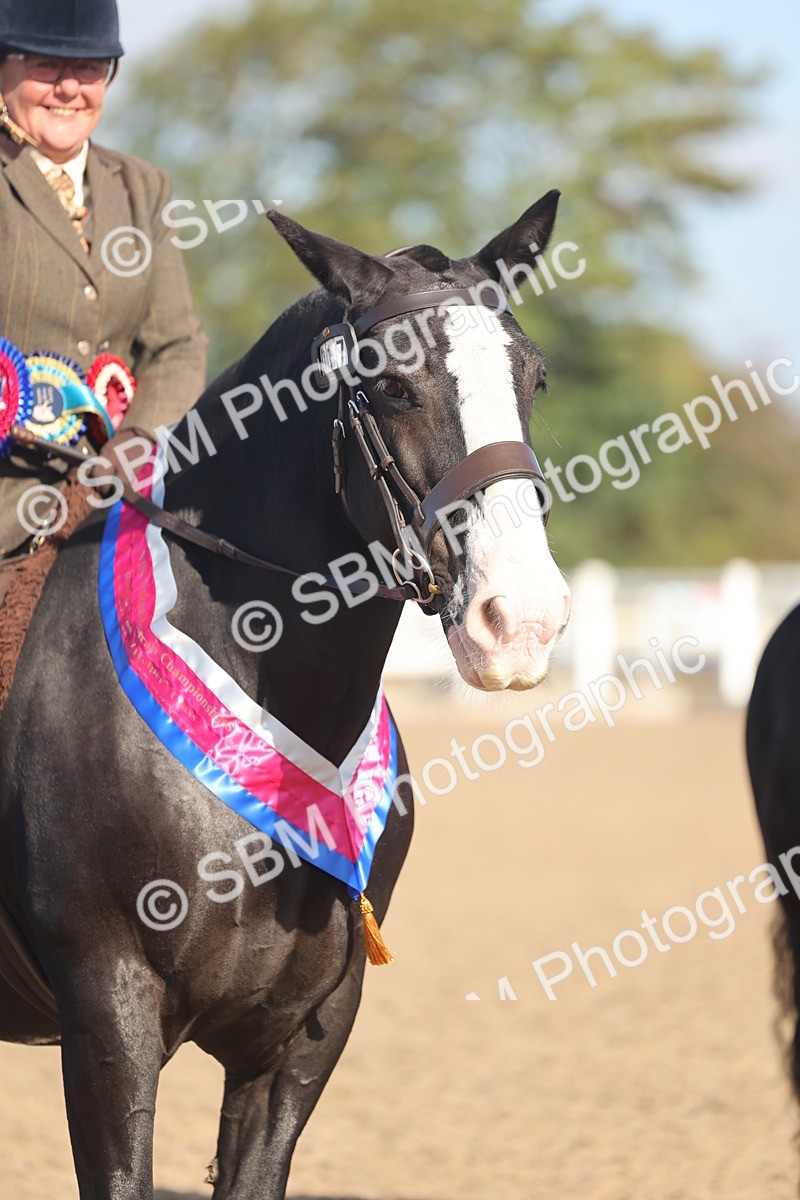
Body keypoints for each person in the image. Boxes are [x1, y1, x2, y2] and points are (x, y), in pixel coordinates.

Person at [0, 0, 207, 555]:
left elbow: (178, 345)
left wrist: (136, 439)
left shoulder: (142, 188)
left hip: (110, 503)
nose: (69, 87)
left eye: (90, 68)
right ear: (5, 66)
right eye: (46, 65)